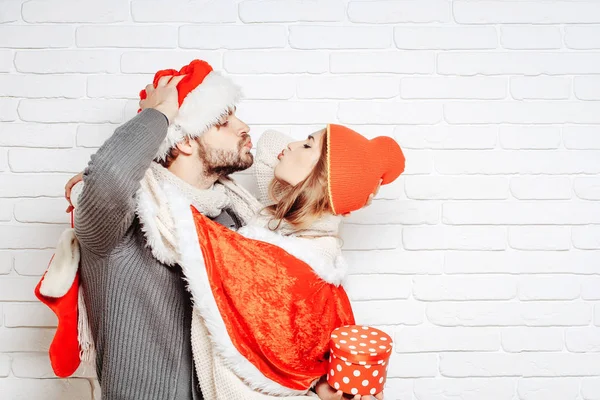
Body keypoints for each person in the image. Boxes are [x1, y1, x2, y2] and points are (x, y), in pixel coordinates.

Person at [58, 59, 398, 400]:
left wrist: (317, 383)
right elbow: (108, 179)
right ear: (185, 140)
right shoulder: (123, 222)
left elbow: (271, 328)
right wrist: (159, 113)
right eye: (224, 121)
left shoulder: (238, 220)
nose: (244, 126)